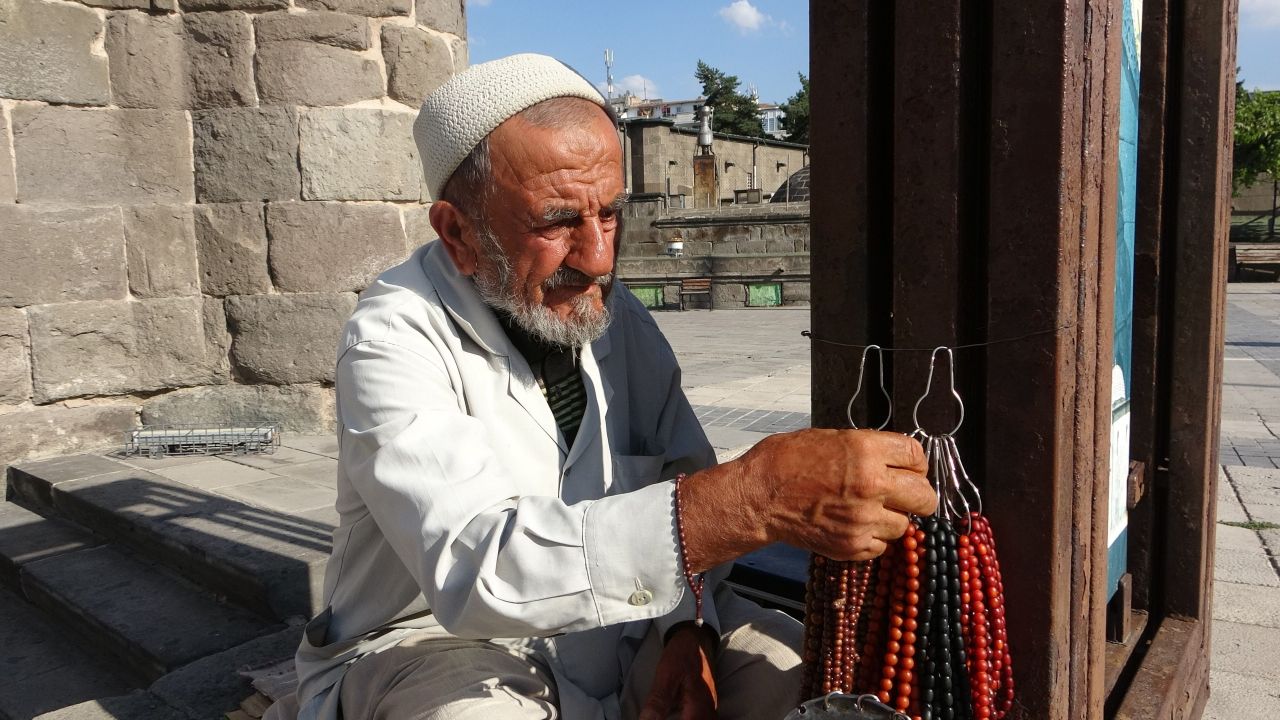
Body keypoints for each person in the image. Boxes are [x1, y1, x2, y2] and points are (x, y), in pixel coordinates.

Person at [278, 54, 936, 720]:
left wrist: (690, 633)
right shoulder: (392, 336)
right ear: (458, 233)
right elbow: (476, 567)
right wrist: (754, 496)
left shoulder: (618, 317)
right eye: (558, 221)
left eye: (611, 215)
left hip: (631, 628)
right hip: (441, 645)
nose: (597, 258)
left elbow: (681, 483)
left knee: (816, 682)